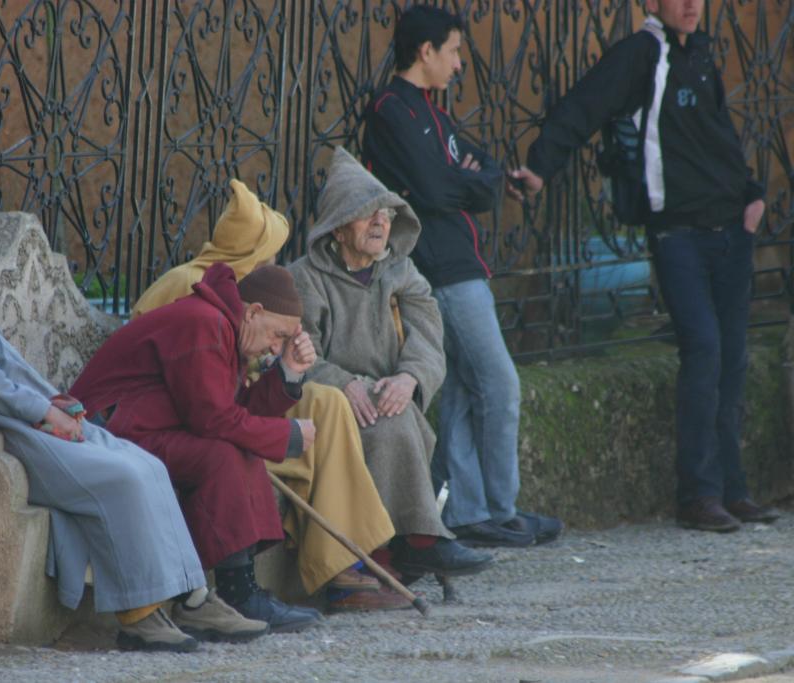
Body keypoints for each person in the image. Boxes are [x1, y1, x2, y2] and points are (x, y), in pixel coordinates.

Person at [0, 164, 268, 652]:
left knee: (146, 466)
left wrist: (55, 399)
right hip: (15, 429)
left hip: (38, 417)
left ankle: (191, 599)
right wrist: (45, 414)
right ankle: (139, 613)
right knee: (122, 478)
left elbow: (12, 368)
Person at [509, 0, 780, 532]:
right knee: (702, 348)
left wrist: (751, 197)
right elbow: (583, 105)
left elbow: (720, 134)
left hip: (731, 230)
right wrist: (540, 166)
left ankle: (733, 488)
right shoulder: (641, 54)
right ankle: (698, 496)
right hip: (678, 233)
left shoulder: (700, 53)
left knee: (732, 357)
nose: (690, 6)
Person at [132, 179, 401, 612]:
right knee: (253, 436)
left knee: (327, 401)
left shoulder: (248, 294)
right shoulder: (193, 288)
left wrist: (289, 370)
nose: (275, 264)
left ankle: (341, 561)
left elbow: (236, 384)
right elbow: (205, 397)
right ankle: (282, 580)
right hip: (181, 415)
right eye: (269, 254)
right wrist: (283, 430)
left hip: (226, 401)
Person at [361, 5, 563, 548]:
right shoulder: (390, 110)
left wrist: (474, 181)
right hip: (440, 268)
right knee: (498, 383)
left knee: (463, 392)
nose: (458, 65)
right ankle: (497, 509)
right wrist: (467, 183)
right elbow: (432, 189)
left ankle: (474, 512)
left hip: (459, 265)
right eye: (453, 52)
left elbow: (483, 172)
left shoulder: (435, 114)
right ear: (425, 51)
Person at [70, 263, 324, 632]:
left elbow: (229, 411)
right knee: (222, 452)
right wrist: (289, 437)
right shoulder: (205, 323)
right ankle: (238, 595)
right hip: (103, 434)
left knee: (235, 444)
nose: (275, 347)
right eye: (277, 336)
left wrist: (288, 372)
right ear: (253, 312)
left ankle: (239, 591)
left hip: (141, 429)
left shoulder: (222, 324)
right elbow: (214, 420)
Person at [288, 147, 493, 580]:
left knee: (398, 414)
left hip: (385, 393)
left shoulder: (400, 271)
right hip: (331, 401)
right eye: (367, 214)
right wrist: (345, 383)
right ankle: (405, 547)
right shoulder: (305, 278)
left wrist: (409, 376)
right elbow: (298, 353)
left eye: (386, 213)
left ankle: (407, 545)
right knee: (394, 425)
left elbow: (428, 334)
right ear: (338, 228)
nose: (381, 222)